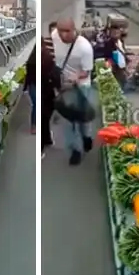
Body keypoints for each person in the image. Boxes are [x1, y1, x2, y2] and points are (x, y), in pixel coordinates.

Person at [51, 18, 95, 166]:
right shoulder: (54, 36)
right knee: (68, 121)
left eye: (67, 31)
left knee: (83, 118)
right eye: (61, 31)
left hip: (81, 86)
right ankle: (75, 150)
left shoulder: (85, 47)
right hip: (64, 87)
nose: (63, 34)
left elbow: (87, 71)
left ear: (74, 29)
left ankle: (86, 136)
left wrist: (76, 77)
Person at [40, 42, 59, 158]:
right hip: (49, 92)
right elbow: (55, 75)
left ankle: (41, 147)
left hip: (41, 91)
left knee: (42, 119)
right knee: (45, 117)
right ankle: (47, 139)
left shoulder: (36, 57)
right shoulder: (48, 56)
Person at [24, 44, 37, 135]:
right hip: (34, 84)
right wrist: (25, 89)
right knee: (36, 104)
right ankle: (34, 126)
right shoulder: (32, 62)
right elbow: (28, 76)